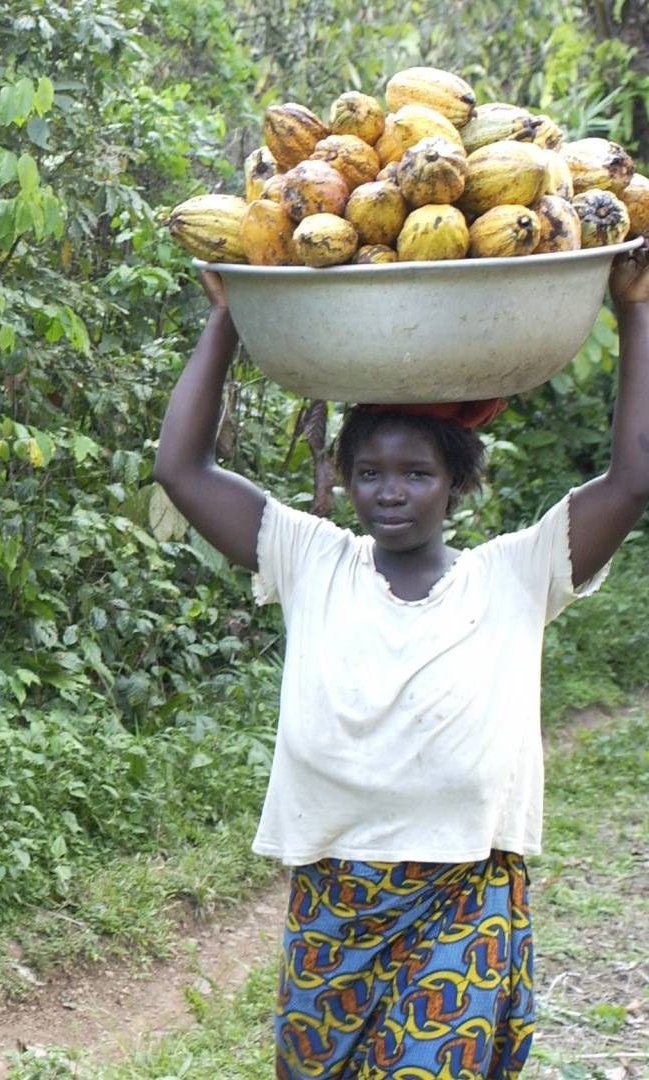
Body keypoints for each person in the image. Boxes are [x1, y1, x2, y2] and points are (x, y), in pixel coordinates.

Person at [152, 253, 649, 1078]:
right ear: (344, 482)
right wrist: (234, 313)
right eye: (371, 473)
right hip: (337, 889)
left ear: (456, 486)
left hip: (465, 889)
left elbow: (634, 480)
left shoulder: (518, 572)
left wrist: (637, 308)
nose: (392, 492)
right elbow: (181, 469)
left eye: (418, 474)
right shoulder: (311, 558)